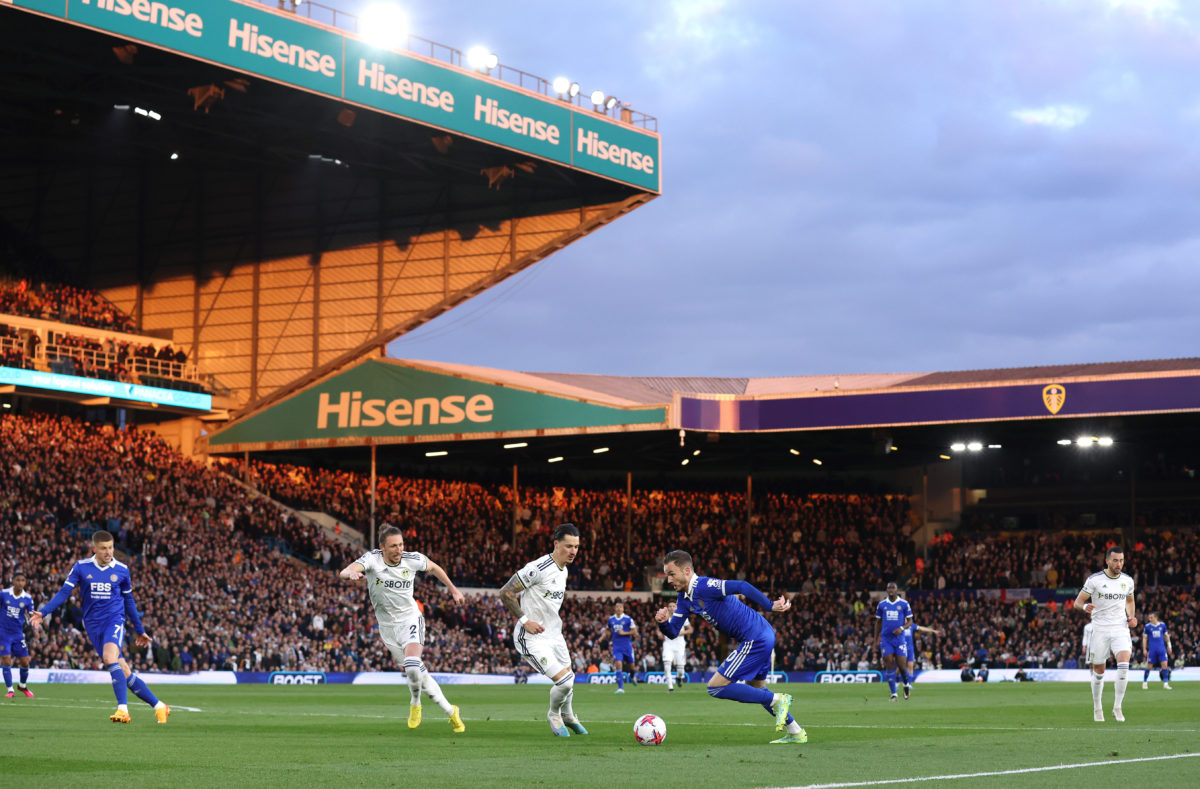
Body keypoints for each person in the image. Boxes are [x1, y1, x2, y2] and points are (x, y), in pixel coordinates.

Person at [654, 549, 806, 745]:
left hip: (755, 637)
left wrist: (770, 605)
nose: (668, 580)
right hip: (761, 635)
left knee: (715, 687)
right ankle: (796, 732)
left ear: (687, 570)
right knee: (758, 689)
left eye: (671, 574)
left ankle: (778, 699)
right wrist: (663, 623)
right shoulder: (684, 599)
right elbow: (673, 631)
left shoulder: (705, 585)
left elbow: (742, 586)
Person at [29, 531, 169, 724]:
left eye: (110, 547)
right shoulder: (81, 567)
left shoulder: (122, 570)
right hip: (93, 626)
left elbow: (129, 601)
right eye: (103, 548)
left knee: (109, 658)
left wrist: (139, 629)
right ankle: (160, 706)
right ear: (94, 548)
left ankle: (123, 710)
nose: (108, 552)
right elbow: (64, 592)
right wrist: (43, 612)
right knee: (124, 671)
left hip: (114, 620)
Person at [339, 525, 466, 733]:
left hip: (410, 619)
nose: (399, 550)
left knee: (413, 664)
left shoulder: (412, 559)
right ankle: (451, 711)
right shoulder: (372, 559)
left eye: (401, 544)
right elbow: (345, 571)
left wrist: (453, 590)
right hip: (387, 627)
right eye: (393, 546)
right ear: (382, 547)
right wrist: (351, 575)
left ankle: (415, 703)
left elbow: (434, 568)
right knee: (417, 673)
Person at [499, 523, 588, 737]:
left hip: (554, 634)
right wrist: (525, 620)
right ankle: (554, 714)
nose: (573, 551)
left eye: (576, 546)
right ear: (556, 544)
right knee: (564, 681)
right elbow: (505, 593)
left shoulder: (564, 570)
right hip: (531, 636)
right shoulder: (538, 568)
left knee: (570, 678)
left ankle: (568, 715)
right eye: (568, 546)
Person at [1074, 546, 1136, 723]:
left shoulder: (1128, 581)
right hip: (1100, 629)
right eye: (1115, 560)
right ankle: (1097, 708)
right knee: (1099, 672)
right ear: (1107, 561)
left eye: (1122, 560)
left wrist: (1131, 616)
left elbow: (1130, 601)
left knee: (1124, 664)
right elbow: (1077, 602)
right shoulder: (1094, 580)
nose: (1119, 564)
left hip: (1120, 628)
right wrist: (1085, 606)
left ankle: (1117, 707)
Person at [873, 582, 913, 701]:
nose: (891, 590)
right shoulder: (882, 605)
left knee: (901, 666)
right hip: (886, 639)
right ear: (886, 590)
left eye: (893, 588)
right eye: (889, 588)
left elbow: (910, 621)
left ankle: (906, 685)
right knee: (889, 663)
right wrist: (876, 639)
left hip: (899, 640)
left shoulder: (904, 604)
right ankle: (894, 694)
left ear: (897, 590)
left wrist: (901, 628)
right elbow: (878, 622)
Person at [1, 572, 35, 698]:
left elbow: (31, 614)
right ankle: (10, 690)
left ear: (25, 582)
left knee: (25, 661)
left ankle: (22, 686)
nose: (20, 583)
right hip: (3, 633)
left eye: (22, 580)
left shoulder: (27, 598)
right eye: (18, 580)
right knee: (6, 660)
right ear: (13, 581)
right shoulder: (3, 594)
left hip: (18, 634)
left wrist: (36, 626)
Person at [600, 601, 638, 693]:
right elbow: (607, 630)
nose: (618, 608)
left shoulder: (628, 619)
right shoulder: (611, 619)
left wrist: (624, 633)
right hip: (617, 647)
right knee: (618, 665)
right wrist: (601, 638)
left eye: (620, 607)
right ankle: (620, 688)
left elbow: (635, 632)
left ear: (623, 609)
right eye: (617, 607)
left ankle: (632, 676)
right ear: (614, 608)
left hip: (627, 647)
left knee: (632, 666)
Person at [903, 619, 944, 696]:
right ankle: (896, 682)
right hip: (901, 648)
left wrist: (933, 631)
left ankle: (908, 684)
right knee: (901, 667)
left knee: (911, 666)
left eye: (906, 618)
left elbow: (922, 628)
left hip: (910, 649)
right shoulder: (899, 626)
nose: (905, 620)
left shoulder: (911, 626)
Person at [1141, 612, 1173, 690]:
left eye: (1151, 617)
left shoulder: (1162, 625)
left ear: (1156, 618)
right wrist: (1144, 649)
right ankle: (1145, 682)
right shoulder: (1147, 627)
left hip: (1161, 649)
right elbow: (1144, 638)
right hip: (1152, 650)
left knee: (1165, 665)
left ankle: (1166, 683)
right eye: (1149, 618)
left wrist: (1169, 646)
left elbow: (1166, 636)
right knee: (1149, 666)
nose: (1150, 619)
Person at [662, 618, 693, 692]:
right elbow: (658, 628)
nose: (671, 607)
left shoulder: (682, 616)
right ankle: (670, 688)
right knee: (667, 666)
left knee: (681, 671)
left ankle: (678, 677)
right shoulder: (664, 617)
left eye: (673, 606)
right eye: (670, 606)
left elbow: (690, 630)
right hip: (668, 643)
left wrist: (681, 632)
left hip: (679, 645)